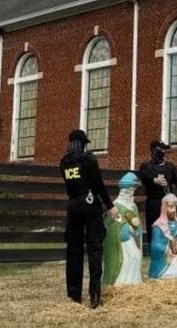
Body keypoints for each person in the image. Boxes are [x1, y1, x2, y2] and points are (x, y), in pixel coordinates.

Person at [59, 129, 119, 308]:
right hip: (90, 205)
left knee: (74, 250)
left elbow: (70, 187)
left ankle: (75, 294)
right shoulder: (89, 159)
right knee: (94, 249)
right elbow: (98, 184)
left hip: (73, 206)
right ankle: (94, 295)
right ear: (83, 143)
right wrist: (110, 205)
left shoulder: (64, 163)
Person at [138, 139, 177, 253]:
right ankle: (154, 253)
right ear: (154, 150)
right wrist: (153, 180)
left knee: (169, 227)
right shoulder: (146, 166)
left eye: (165, 150)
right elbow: (142, 176)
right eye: (161, 149)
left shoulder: (170, 167)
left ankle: (169, 251)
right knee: (154, 228)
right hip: (153, 203)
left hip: (167, 203)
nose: (164, 152)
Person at [103, 172, 143, 287]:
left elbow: (138, 222)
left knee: (136, 257)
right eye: (130, 191)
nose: (131, 194)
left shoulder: (133, 206)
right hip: (123, 242)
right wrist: (125, 228)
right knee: (128, 259)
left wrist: (137, 228)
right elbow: (111, 225)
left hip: (133, 239)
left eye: (133, 191)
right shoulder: (116, 206)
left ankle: (133, 282)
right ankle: (120, 283)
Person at [148, 193, 177, 279]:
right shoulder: (158, 226)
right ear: (164, 208)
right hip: (165, 262)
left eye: (174, 207)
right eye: (170, 207)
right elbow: (155, 246)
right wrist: (167, 249)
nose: (173, 210)